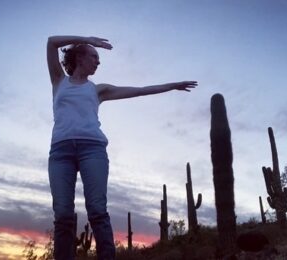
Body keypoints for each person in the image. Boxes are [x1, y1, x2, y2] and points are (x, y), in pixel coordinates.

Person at [46, 35, 197, 260]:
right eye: (94, 56)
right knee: (63, 215)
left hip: (92, 150)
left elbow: (139, 90)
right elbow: (51, 42)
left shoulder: (98, 90)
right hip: (60, 153)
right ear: (79, 56)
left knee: (97, 210)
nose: (98, 62)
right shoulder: (58, 80)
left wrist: (171, 86)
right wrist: (88, 39)